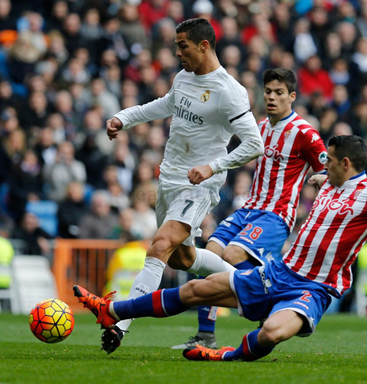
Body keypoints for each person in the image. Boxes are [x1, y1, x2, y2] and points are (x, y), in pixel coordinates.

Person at [74, 135, 367, 360]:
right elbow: (328, 179)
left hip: (313, 288)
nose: (322, 165)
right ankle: (114, 311)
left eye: (329, 160)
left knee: (273, 333)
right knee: (197, 289)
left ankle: (226, 356)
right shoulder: (331, 182)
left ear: (346, 163)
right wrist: (323, 175)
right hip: (279, 273)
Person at [103, 18, 264, 345]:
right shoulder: (184, 77)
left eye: (183, 46)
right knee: (183, 259)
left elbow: (254, 143)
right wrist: (126, 117)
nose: (177, 53)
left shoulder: (229, 91)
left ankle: (120, 323)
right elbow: (165, 105)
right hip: (171, 179)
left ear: (204, 45)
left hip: (201, 184)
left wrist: (213, 167)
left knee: (160, 245)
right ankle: (252, 287)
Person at [172, 67, 328, 350]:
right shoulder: (259, 127)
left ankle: (272, 301)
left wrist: (320, 177)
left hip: (276, 213)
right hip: (249, 208)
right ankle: (206, 334)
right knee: (210, 256)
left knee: (232, 254)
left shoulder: (305, 133)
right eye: (268, 91)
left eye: (279, 93)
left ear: (291, 96)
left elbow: (328, 172)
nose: (271, 97)